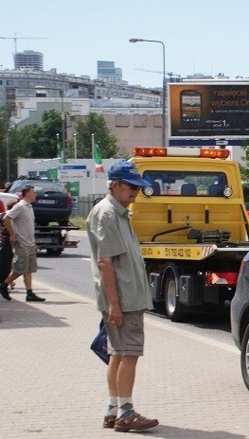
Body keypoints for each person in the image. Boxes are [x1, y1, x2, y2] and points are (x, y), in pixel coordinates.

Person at [87, 160, 158, 432]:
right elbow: (106, 262)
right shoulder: (107, 213)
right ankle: (126, 414)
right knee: (128, 354)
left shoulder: (117, 213)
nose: (136, 192)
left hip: (124, 299)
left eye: (138, 188)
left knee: (117, 354)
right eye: (131, 187)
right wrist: (114, 304)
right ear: (115, 185)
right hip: (123, 301)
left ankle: (113, 409)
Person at [0, 185, 44, 302]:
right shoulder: (20, 206)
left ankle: (29, 293)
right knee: (19, 269)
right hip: (22, 243)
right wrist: (13, 234)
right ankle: (3, 285)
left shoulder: (29, 207)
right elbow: (6, 218)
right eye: (33, 193)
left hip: (30, 243)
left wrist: (34, 242)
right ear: (27, 194)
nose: (35, 195)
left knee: (28, 269)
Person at [0, 198, 20, 286]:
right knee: (6, 264)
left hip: (2, 241)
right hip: (6, 242)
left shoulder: (1, 215)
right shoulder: (10, 217)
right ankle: (5, 283)